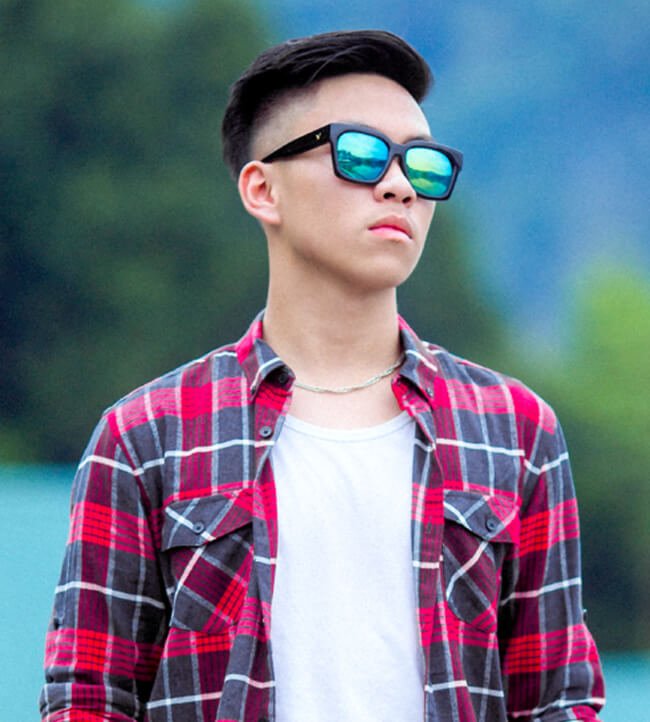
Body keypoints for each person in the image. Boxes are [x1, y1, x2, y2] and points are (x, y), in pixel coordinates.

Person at [40, 29, 605, 722]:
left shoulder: (515, 430)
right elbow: (88, 699)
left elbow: (558, 699)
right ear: (262, 189)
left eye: (423, 165)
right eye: (360, 154)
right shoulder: (145, 437)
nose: (399, 186)